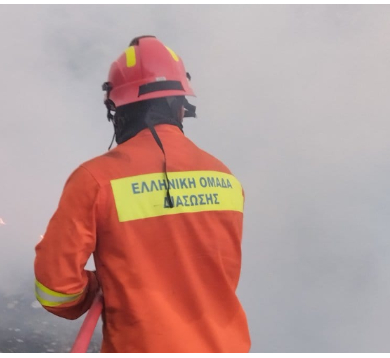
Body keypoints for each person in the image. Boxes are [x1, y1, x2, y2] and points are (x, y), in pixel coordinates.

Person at [33, 36, 247, 352]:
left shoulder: (94, 180)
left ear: (117, 109)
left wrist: (97, 287)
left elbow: (56, 288)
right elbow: (206, 270)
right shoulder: (224, 177)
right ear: (180, 107)